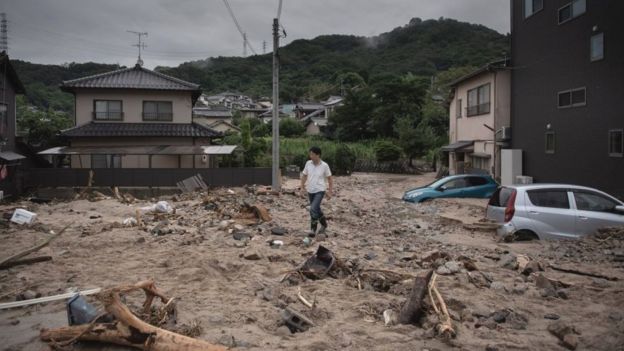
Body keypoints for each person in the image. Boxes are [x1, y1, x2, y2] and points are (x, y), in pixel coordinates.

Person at [300, 146, 333, 235]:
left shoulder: (324, 165)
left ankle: (313, 229)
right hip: (310, 190)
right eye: (310, 154)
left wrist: (330, 192)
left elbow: (329, 179)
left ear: (318, 155)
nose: (311, 156)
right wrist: (302, 187)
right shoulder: (308, 163)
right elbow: (304, 176)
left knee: (313, 209)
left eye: (312, 154)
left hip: (320, 190)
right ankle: (324, 224)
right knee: (317, 209)